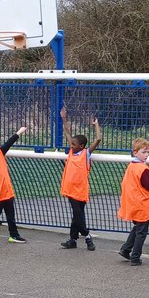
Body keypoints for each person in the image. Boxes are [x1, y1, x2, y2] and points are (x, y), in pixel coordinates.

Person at [58, 107, 102, 250]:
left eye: (74, 144)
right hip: (70, 190)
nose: (71, 145)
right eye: (71, 143)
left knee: (78, 214)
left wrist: (96, 125)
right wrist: (64, 118)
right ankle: (75, 239)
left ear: (82, 146)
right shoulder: (72, 151)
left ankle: (85, 236)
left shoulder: (86, 154)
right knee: (77, 214)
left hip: (80, 190)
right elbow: (67, 132)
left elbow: (98, 139)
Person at [118, 138, 149, 266]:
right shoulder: (142, 169)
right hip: (141, 204)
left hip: (132, 202)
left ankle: (126, 249)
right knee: (141, 232)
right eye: (144, 152)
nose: (146, 155)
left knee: (137, 228)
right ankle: (135, 257)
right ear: (135, 153)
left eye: (147, 152)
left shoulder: (131, 166)